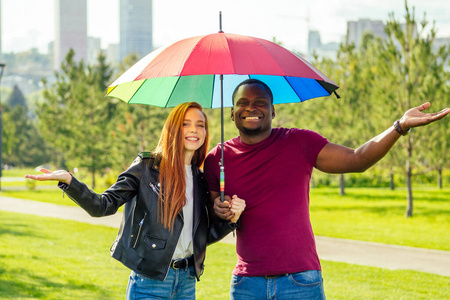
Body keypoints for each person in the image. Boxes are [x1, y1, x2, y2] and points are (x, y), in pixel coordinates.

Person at [204, 79, 449, 300]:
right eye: (242, 102)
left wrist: (400, 125)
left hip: (300, 281)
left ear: (273, 110)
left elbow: (357, 159)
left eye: (260, 102)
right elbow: (214, 219)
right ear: (232, 113)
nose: (251, 108)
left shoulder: (299, 142)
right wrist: (220, 210)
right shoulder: (217, 158)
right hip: (247, 283)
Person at [25, 102, 246, 300]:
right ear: (172, 129)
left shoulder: (200, 179)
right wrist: (69, 181)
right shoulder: (147, 168)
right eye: (185, 124)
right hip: (149, 283)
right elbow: (103, 206)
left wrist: (231, 219)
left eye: (200, 125)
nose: (194, 130)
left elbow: (200, 237)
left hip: (187, 283)